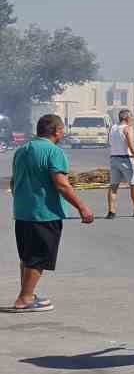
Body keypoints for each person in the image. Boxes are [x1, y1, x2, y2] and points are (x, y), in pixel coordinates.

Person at [9, 114, 95, 313]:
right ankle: (25, 298)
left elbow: (14, 182)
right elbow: (62, 185)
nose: (63, 133)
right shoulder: (54, 152)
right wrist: (82, 207)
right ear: (56, 131)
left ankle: (26, 292)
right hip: (44, 213)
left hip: (22, 212)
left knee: (28, 256)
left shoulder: (22, 150)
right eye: (62, 129)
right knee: (38, 256)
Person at [106, 108, 134, 219]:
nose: (133, 119)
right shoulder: (128, 129)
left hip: (114, 159)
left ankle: (111, 212)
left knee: (113, 186)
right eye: (131, 116)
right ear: (126, 118)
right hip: (126, 159)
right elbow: (131, 145)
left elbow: (109, 142)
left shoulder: (113, 128)